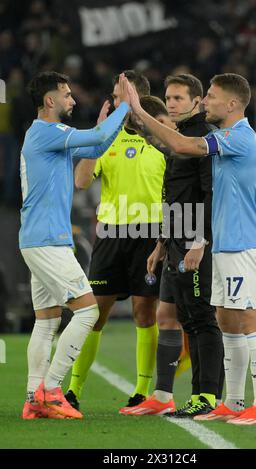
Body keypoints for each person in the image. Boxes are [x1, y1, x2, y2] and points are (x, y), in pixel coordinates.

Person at [125, 72, 256, 425]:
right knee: (227, 321)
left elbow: (182, 146)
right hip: (222, 245)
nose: (205, 100)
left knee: (251, 318)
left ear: (233, 103)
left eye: (210, 95)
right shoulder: (225, 137)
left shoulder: (240, 137)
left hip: (244, 245)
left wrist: (140, 111)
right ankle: (235, 402)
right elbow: (176, 148)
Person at [20, 71, 130, 420]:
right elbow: (98, 138)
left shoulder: (44, 136)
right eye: (66, 95)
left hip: (39, 239)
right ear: (49, 101)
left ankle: (32, 397)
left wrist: (105, 124)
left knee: (47, 320)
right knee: (88, 311)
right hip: (47, 241)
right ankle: (51, 390)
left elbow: (97, 145)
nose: (73, 100)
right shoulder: (49, 132)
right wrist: (126, 107)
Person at [65, 71, 166, 413]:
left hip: (150, 234)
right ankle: (73, 389)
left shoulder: (163, 140)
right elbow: (81, 181)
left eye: (123, 96)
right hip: (111, 233)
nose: (117, 101)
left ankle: (141, 391)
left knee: (144, 312)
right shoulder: (107, 139)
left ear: (140, 99)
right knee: (94, 315)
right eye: (115, 95)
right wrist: (97, 140)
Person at [123, 74, 224, 418]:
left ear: (196, 101)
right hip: (178, 236)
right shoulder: (181, 137)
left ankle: (208, 395)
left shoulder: (200, 139)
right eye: (168, 98)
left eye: (179, 98)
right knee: (187, 316)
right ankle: (194, 395)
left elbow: (208, 194)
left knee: (201, 317)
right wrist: (162, 243)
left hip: (195, 237)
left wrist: (199, 241)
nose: (171, 104)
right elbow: (175, 197)